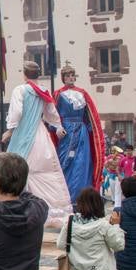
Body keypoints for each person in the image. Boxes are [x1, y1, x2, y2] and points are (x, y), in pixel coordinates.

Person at [2, 61, 71, 227]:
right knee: (45, 171)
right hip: (40, 133)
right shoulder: (43, 91)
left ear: (24, 74)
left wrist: (10, 129)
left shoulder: (20, 90)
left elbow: (17, 112)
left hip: (23, 132)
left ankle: (20, 209)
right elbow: (51, 113)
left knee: (20, 168)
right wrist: (58, 126)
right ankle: (52, 210)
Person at [52, 64, 105, 203]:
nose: (70, 78)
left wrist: (92, 133)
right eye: (67, 76)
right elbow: (51, 114)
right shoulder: (58, 94)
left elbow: (89, 117)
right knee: (65, 161)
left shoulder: (83, 93)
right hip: (66, 131)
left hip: (81, 132)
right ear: (63, 78)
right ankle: (66, 196)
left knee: (82, 162)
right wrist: (56, 127)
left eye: (72, 75)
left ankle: (83, 197)